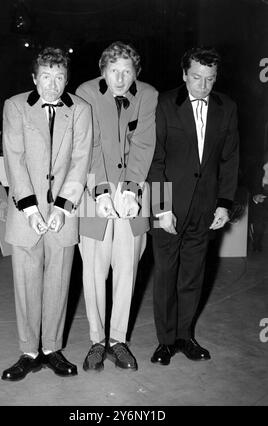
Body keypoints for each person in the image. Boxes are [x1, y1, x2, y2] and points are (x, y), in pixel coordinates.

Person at [1, 47, 92, 381]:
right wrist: (30, 209)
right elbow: (14, 157)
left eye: (60, 77)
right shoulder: (15, 107)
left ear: (67, 79)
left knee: (59, 282)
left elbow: (81, 159)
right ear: (34, 78)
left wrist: (63, 206)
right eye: (46, 77)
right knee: (26, 283)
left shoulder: (80, 109)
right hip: (27, 213)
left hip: (62, 214)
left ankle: (52, 349)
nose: (53, 85)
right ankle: (28, 351)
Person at [148, 47, 239, 365]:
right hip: (167, 207)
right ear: (184, 74)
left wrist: (224, 204)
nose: (203, 85)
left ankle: (185, 336)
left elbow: (230, 159)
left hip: (205, 208)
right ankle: (164, 342)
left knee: (192, 273)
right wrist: (161, 207)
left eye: (210, 79)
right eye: (197, 77)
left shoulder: (226, 107)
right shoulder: (163, 104)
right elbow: (155, 160)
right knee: (165, 274)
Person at [76, 41, 158, 372]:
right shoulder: (85, 92)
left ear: (136, 72)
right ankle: (97, 341)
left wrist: (131, 191)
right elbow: (87, 144)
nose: (120, 79)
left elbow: (144, 143)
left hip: (132, 194)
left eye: (127, 71)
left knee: (127, 267)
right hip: (94, 190)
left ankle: (118, 340)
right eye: (114, 71)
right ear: (103, 70)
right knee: (94, 270)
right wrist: (100, 191)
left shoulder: (148, 95)